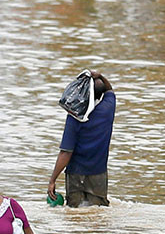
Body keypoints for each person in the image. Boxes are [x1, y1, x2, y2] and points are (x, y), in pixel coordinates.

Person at [48, 71, 116, 207]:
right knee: (98, 211)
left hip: (76, 174)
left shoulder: (75, 117)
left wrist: (52, 180)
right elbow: (110, 90)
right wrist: (101, 76)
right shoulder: (108, 108)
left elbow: (66, 152)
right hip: (99, 173)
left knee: (75, 212)